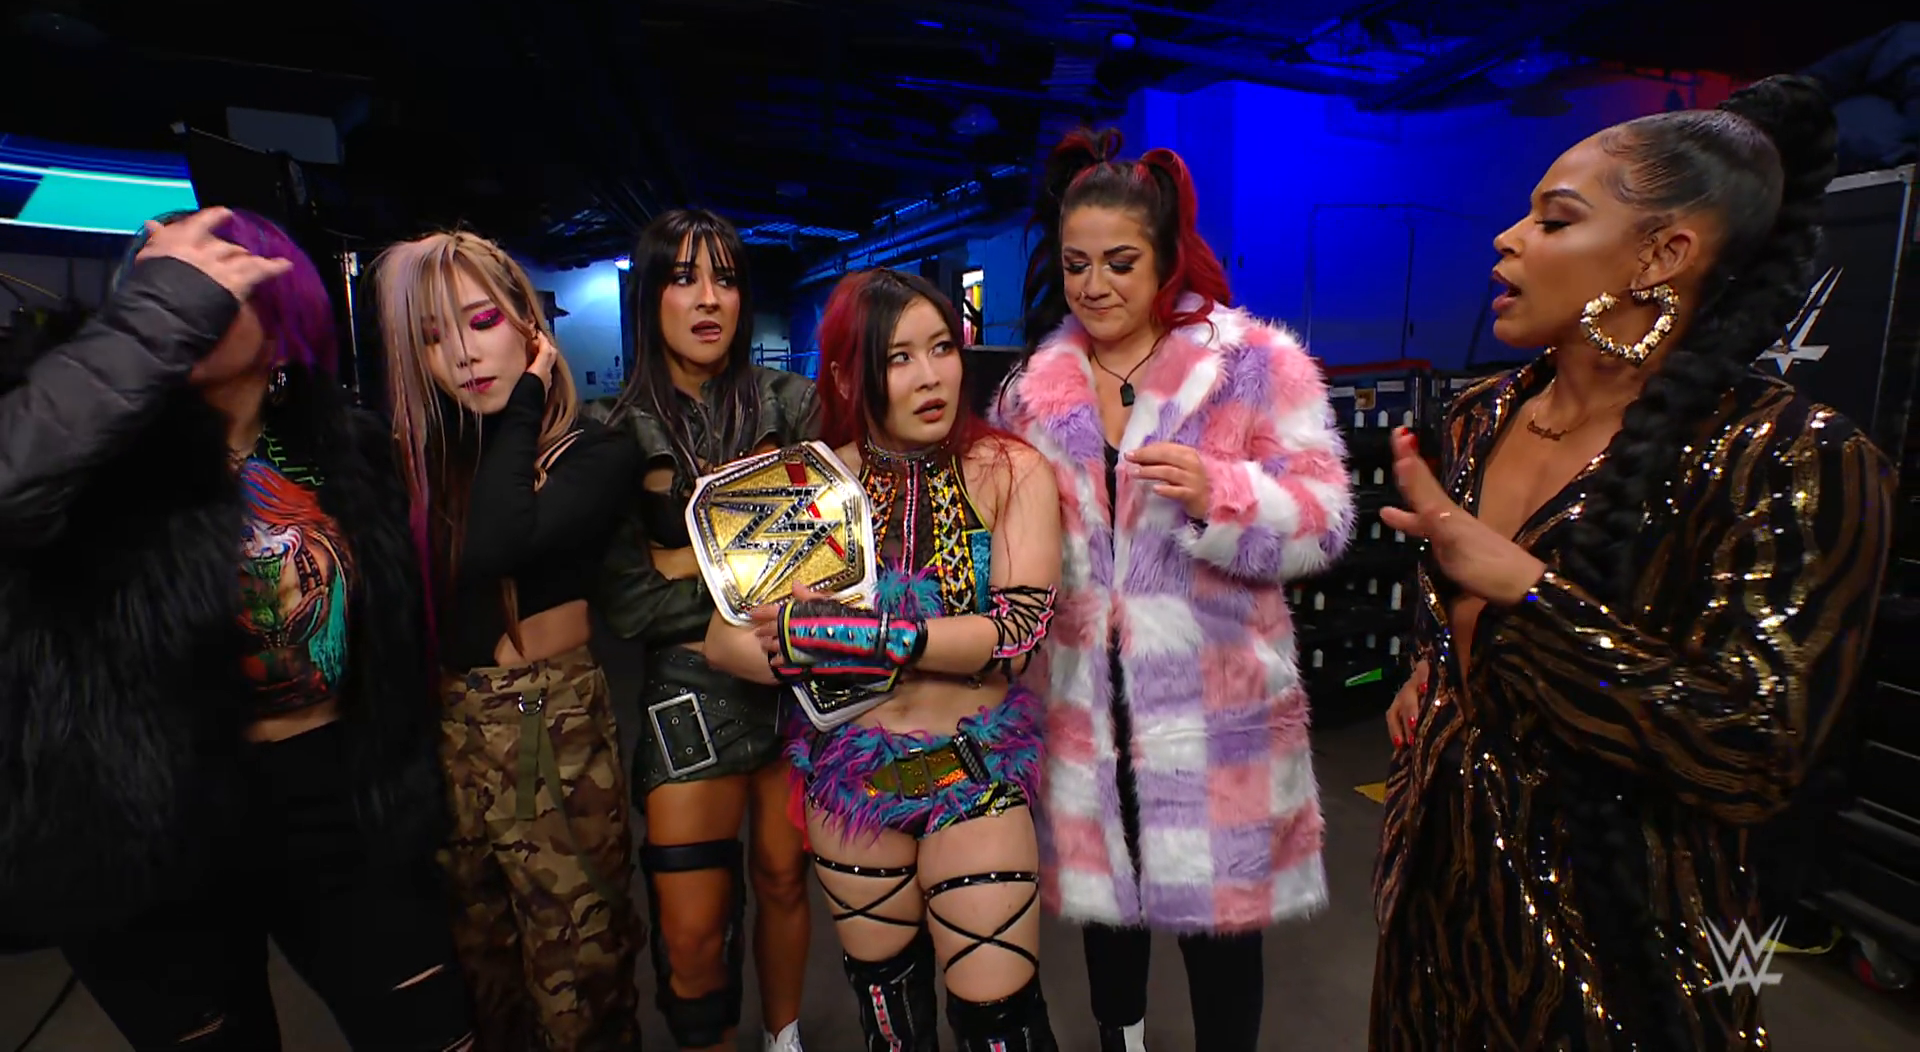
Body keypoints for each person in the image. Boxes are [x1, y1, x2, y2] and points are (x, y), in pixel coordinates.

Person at [1371, 75, 1895, 1050]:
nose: (1507, 238)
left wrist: (1526, 594)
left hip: (1625, 946)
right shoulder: (1480, 415)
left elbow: (1753, 754)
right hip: (1435, 904)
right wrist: (1432, 670)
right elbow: (1451, 618)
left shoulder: (1789, 456)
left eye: (1554, 219)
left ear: (1664, 254)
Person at [0, 207, 473, 1051]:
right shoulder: (91, 459)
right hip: (153, 828)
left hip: (335, 802)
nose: (185, 290)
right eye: (155, 277)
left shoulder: (342, 449)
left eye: (213, 276)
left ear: (281, 315)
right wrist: (154, 319)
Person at [995, 130, 1355, 1052]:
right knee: (1109, 929)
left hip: (1216, 714)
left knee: (1222, 942)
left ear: (1165, 259)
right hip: (1081, 704)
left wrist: (1221, 493)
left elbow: (1325, 520)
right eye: (1076, 264)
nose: (1094, 286)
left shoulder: (1251, 365)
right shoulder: (1033, 391)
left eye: (1119, 262)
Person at [704, 267, 1063, 1051]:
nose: (930, 376)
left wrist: (868, 639)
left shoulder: (1010, 469)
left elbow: (1019, 631)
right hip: (855, 785)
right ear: (846, 375)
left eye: (942, 348)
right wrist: (801, 645)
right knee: (891, 1025)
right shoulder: (813, 486)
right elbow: (724, 640)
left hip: (971, 773)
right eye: (899, 358)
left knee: (1000, 1025)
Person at [374, 230, 641, 1052]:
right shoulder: (423, 463)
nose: (461, 353)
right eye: (431, 337)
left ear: (529, 324)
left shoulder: (595, 450)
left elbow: (497, 544)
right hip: (448, 726)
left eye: (482, 320)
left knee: (578, 971)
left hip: (543, 723)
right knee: (480, 968)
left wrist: (527, 396)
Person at [593, 209, 816, 1052]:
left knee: (785, 880)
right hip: (686, 692)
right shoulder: (612, 426)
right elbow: (629, 602)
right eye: (684, 278)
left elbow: (825, 556)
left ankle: (784, 1039)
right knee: (690, 932)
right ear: (649, 295)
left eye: (724, 278)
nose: (709, 298)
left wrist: (683, 559)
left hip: (795, 682)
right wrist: (754, 557)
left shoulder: (792, 403)